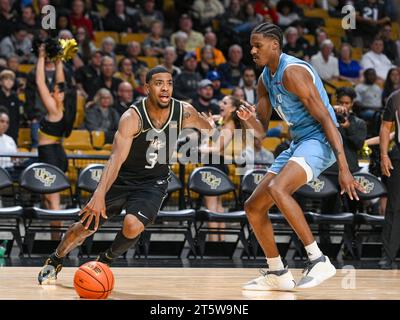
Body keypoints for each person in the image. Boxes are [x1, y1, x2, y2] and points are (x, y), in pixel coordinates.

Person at [37, 66, 213, 285]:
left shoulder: (183, 111)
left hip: (153, 182)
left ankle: (105, 260)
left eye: (169, 83)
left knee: (133, 225)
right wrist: (98, 195)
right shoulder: (132, 117)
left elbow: (205, 125)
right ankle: (56, 259)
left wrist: (212, 124)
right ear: (147, 87)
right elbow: (115, 159)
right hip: (122, 178)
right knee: (85, 226)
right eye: (159, 83)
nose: (165, 88)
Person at [238, 23, 362, 291]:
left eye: (257, 45)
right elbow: (260, 132)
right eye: (251, 45)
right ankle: (277, 272)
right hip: (299, 142)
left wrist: (344, 167)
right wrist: (249, 121)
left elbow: (327, 119)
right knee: (254, 206)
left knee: (277, 188)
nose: (252, 50)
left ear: (275, 45)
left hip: (321, 140)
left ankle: (318, 259)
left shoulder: (292, 72)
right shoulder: (264, 79)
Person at [35, 43, 75, 240]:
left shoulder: (53, 108)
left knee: (54, 203)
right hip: (57, 153)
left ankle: (56, 243)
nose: (53, 91)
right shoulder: (64, 108)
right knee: (48, 198)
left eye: (56, 91)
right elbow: (60, 83)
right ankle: (54, 238)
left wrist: (42, 57)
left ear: (60, 96)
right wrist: (59, 60)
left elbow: (40, 83)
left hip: (50, 154)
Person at [199, 95, 243, 241]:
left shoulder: (229, 126)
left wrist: (201, 149)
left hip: (214, 165)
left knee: (211, 207)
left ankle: (214, 243)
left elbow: (217, 148)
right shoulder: (225, 123)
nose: (220, 104)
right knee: (218, 207)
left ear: (233, 108)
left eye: (225, 103)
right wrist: (210, 125)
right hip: (218, 165)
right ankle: (221, 241)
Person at [379, 89, 400, 270]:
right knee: (394, 207)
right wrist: (384, 155)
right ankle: (388, 256)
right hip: (399, 156)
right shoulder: (395, 98)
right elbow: (386, 127)